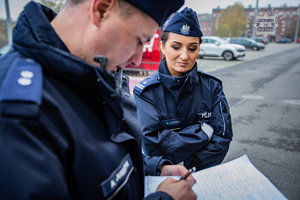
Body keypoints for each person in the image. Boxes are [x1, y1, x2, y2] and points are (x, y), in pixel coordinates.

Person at [0, 0, 198, 199]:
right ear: (102, 10)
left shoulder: (91, 72)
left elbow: (96, 161)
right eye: (139, 40)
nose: (137, 59)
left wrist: (152, 168)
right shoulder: (19, 113)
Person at [134, 7, 233, 172]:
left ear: (198, 50)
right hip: (164, 179)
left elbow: (222, 139)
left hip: (205, 175)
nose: (185, 55)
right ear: (163, 48)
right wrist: (203, 132)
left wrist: (185, 165)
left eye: (192, 48)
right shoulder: (145, 93)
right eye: (176, 46)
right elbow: (153, 145)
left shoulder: (212, 87)